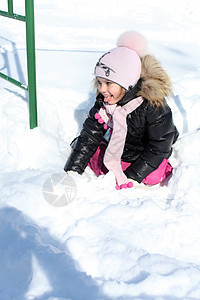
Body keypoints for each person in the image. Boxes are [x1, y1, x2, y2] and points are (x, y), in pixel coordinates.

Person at [64, 31, 179, 190]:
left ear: (127, 83)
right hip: (122, 151)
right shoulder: (105, 102)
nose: (102, 89)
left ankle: (158, 168)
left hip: (148, 151)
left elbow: (159, 146)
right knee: (105, 168)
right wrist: (74, 170)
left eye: (108, 83)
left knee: (152, 176)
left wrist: (131, 177)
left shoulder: (153, 106)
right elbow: (90, 134)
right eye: (99, 82)